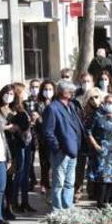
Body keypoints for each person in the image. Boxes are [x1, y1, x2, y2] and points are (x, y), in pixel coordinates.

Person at [42, 80, 84, 210]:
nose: (72, 93)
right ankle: (57, 209)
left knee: (70, 182)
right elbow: (48, 132)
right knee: (59, 182)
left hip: (73, 150)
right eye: (69, 90)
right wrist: (57, 148)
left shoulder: (71, 106)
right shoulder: (53, 108)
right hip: (61, 151)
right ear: (61, 92)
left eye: (72, 90)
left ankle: (67, 206)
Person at [87, 94, 112, 208]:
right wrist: (95, 145)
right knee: (103, 178)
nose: (108, 105)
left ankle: (111, 201)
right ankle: (100, 202)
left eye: (111, 103)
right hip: (102, 148)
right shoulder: (98, 116)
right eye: (106, 102)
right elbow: (89, 131)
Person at [8, 83, 36, 213]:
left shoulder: (24, 108)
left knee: (25, 175)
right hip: (19, 145)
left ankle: (25, 201)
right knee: (19, 174)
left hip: (27, 144)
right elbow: (18, 126)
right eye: (23, 91)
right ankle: (14, 202)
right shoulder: (14, 110)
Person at [0, 84, 18, 220]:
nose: (9, 96)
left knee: (11, 181)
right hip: (3, 148)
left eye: (11, 94)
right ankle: (1, 209)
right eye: (7, 93)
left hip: (14, 147)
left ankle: (9, 206)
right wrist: (9, 127)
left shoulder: (14, 109)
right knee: (2, 181)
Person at [35, 80, 55, 195]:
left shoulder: (56, 103)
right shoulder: (39, 104)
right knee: (44, 163)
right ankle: (44, 183)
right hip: (43, 138)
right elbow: (36, 120)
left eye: (50, 89)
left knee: (54, 162)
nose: (48, 92)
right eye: (45, 89)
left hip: (54, 137)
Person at [26, 79, 41, 190]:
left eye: (37, 87)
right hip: (31, 133)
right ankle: (32, 180)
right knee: (30, 159)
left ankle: (44, 182)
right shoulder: (26, 102)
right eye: (33, 87)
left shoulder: (44, 101)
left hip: (42, 132)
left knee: (45, 160)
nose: (35, 89)